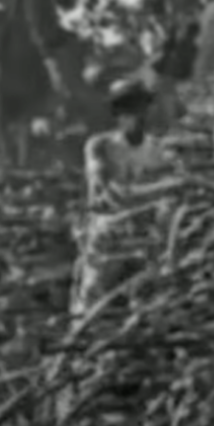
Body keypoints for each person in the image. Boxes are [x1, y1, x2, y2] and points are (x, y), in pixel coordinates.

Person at [74, 77, 183, 316]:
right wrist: (167, 188)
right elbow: (111, 192)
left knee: (155, 307)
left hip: (146, 240)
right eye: (127, 107)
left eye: (139, 106)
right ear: (117, 112)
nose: (134, 114)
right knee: (92, 307)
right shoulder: (101, 145)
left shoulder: (159, 150)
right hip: (109, 238)